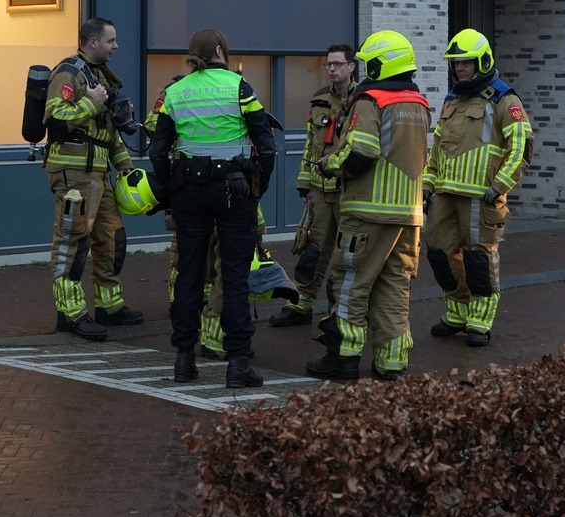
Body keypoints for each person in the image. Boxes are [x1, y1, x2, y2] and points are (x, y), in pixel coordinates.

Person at [149, 28, 274, 388]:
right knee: (233, 276)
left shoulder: (174, 91)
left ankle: (184, 361)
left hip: (188, 190)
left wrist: (170, 190)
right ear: (220, 50)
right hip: (234, 191)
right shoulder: (239, 87)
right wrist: (258, 189)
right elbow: (265, 145)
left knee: (189, 273)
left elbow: (158, 150)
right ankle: (237, 365)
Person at [309, 29, 431, 381]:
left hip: (367, 210)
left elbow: (361, 150)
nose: (365, 70)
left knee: (350, 284)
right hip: (408, 214)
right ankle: (391, 363)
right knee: (394, 287)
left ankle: (342, 358)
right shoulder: (418, 102)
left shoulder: (371, 100)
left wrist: (330, 164)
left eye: (369, 63)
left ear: (382, 64)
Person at [424, 28, 531, 347]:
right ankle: (456, 313)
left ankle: (479, 321)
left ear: (482, 62)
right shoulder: (452, 97)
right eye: (456, 63)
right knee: (439, 254)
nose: (460, 68)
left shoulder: (503, 97)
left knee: (478, 259)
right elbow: (439, 144)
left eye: (466, 63)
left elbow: (522, 146)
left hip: (481, 196)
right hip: (445, 192)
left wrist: (499, 185)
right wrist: (429, 181)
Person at [42, 16, 141, 342]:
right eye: (111, 41)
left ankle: (109, 306)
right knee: (73, 243)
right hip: (73, 172)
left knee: (111, 239)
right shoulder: (69, 72)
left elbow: (107, 132)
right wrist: (89, 101)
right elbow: (55, 117)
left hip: (100, 172)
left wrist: (125, 165)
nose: (116, 47)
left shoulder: (100, 76)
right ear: (92, 42)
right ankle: (70, 314)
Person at [270, 43, 358, 327]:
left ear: (351, 67)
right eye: (328, 65)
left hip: (349, 191)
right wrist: (304, 182)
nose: (332, 69)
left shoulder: (364, 101)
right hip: (320, 191)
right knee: (312, 251)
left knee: (346, 257)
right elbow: (311, 144)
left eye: (337, 64)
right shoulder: (319, 99)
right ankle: (300, 305)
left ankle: (340, 312)